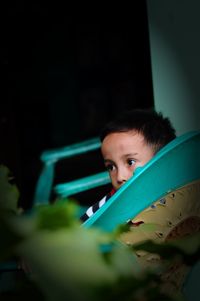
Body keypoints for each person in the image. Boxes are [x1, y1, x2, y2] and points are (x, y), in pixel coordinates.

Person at [80, 108, 176, 222]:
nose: (120, 177)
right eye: (111, 167)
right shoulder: (103, 212)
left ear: (162, 161)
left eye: (130, 162)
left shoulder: (183, 188)